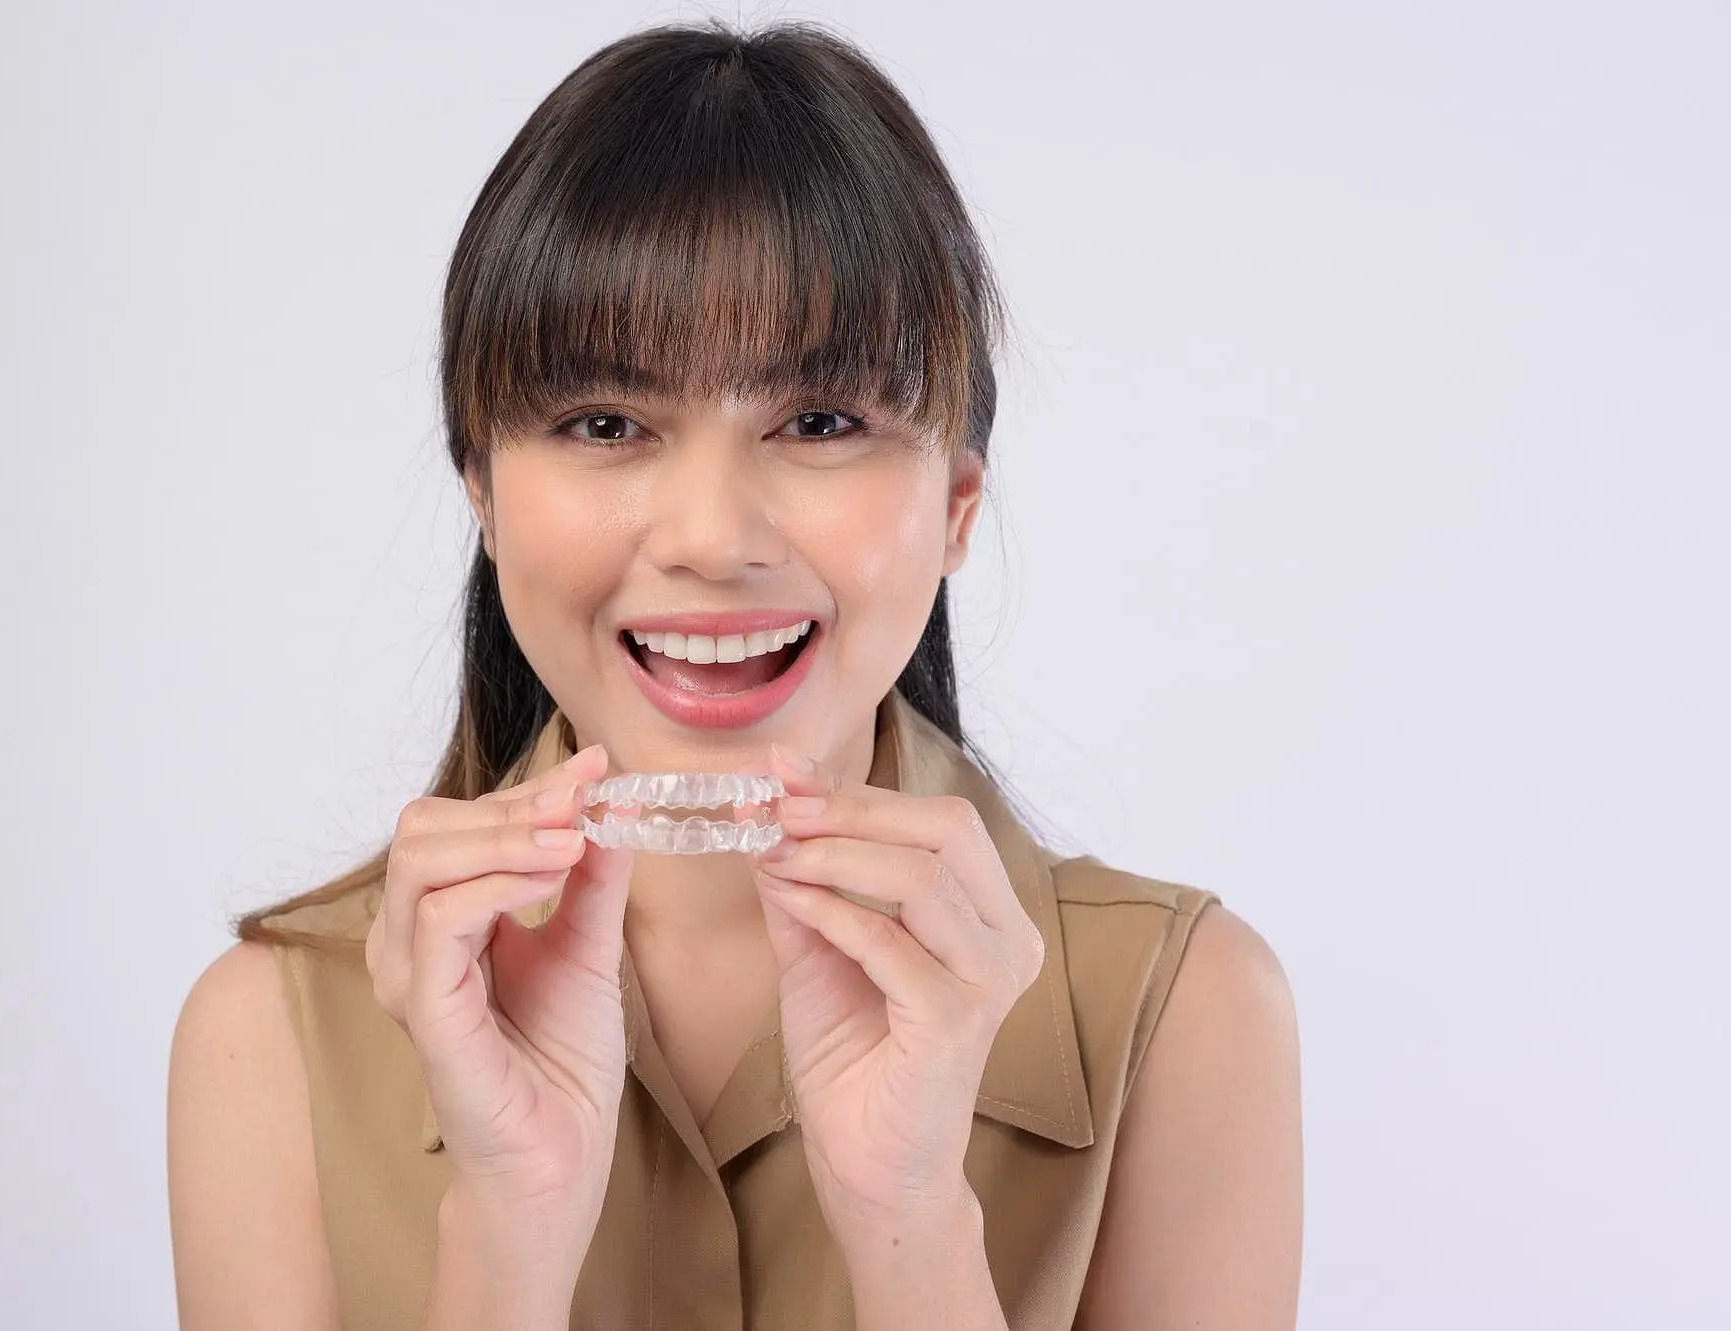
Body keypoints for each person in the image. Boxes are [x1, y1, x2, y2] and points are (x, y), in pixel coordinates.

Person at [167, 18, 1302, 1330]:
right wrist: (506, 1232)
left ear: (957, 502)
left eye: (819, 422)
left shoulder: (1189, 1016)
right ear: (480, 489)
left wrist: (910, 1219)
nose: (710, 538)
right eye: (605, 422)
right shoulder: (271, 1038)